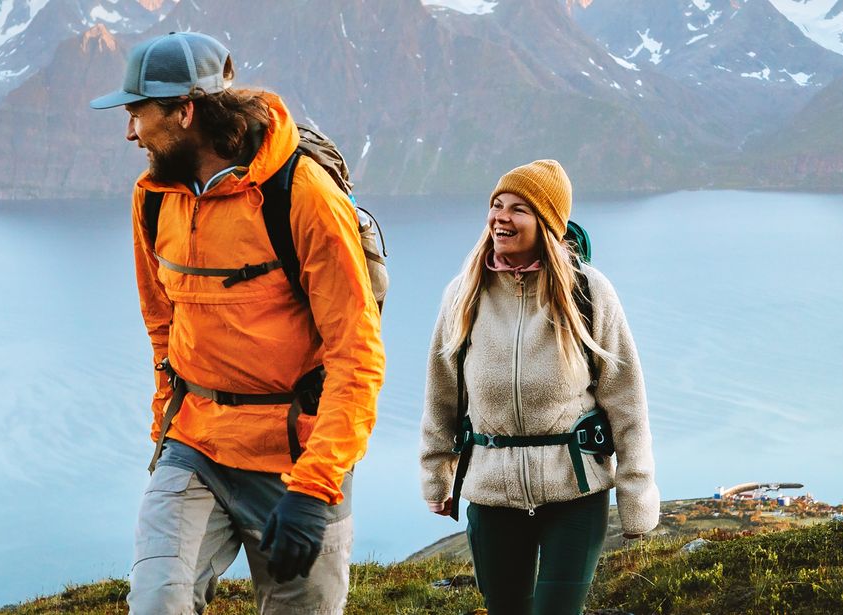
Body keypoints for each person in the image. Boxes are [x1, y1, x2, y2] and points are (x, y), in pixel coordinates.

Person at [88, 31, 385, 614]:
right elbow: (161, 324)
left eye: (137, 113)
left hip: (296, 456)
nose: (130, 133)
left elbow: (356, 353)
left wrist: (316, 486)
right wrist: (165, 427)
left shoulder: (302, 195)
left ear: (185, 110)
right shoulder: (152, 198)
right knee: (156, 604)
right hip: (194, 444)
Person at [418, 160, 659, 615]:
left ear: (546, 223)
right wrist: (436, 474)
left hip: (574, 491)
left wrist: (636, 494)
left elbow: (628, 402)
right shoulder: (463, 294)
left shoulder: (589, 293)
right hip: (491, 492)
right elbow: (441, 395)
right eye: (496, 205)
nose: (500, 217)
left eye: (518, 208)